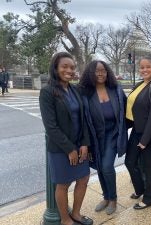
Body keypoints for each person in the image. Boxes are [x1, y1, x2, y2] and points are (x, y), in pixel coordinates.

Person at [39, 52, 93, 225]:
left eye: (72, 67)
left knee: (83, 179)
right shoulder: (47, 92)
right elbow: (51, 126)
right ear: (55, 68)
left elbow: (83, 118)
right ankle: (65, 220)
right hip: (60, 149)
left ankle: (76, 214)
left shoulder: (74, 89)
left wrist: (84, 143)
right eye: (65, 66)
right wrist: (70, 149)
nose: (69, 70)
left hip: (79, 145)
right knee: (62, 185)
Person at [78, 60, 127, 215]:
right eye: (97, 71)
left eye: (104, 70)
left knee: (106, 166)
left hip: (113, 134)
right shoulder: (85, 92)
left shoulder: (116, 89)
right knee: (99, 167)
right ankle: (106, 197)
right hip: (95, 136)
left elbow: (127, 108)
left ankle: (113, 199)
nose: (101, 73)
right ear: (90, 73)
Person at [125, 54, 151, 210]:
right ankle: (140, 189)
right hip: (136, 130)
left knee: (149, 166)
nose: (144, 69)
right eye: (142, 67)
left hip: (149, 133)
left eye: (148, 66)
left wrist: (145, 140)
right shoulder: (140, 84)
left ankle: (149, 199)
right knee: (130, 162)